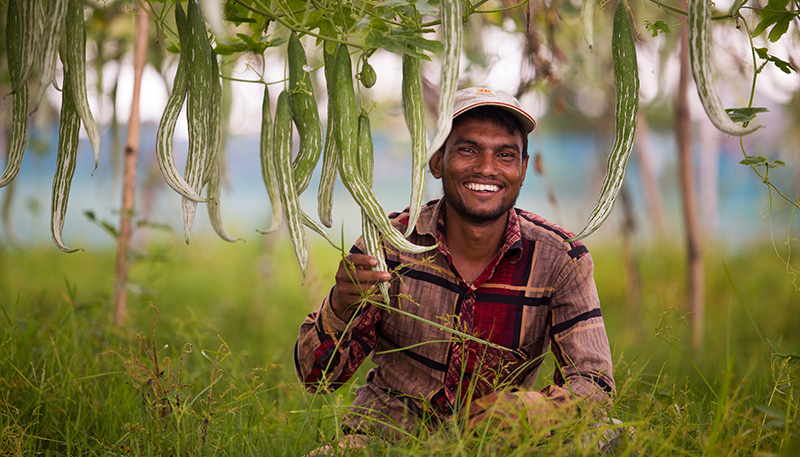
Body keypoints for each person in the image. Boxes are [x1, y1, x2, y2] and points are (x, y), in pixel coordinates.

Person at [294, 87, 615, 447]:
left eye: (505, 155)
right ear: (436, 160)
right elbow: (316, 378)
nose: (486, 168)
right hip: (385, 440)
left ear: (523, 170)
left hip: (499, 445)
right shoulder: (387, 244)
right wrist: (340, 305)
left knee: (616, 435)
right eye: (467, 149)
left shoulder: (560, 258)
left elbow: (595, 384)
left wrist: (530, 409)